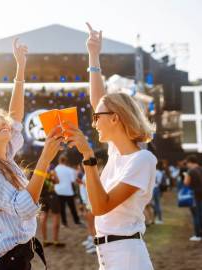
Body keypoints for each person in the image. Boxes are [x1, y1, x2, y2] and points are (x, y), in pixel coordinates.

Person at [64, 23, 157, 270]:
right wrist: (93, 56)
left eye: (97, 118)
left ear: (115, 118)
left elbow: (100, 207)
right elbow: (100, 103)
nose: (94, 123)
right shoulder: (120, 152)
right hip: (110, 253)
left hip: (127, 256)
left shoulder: (142, 160)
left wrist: (88, 156)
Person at [0, 39, 62, 270]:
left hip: (20, 256)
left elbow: (16, 117)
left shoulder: (6, 157)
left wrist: (20, 67)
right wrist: (44, 160)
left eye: (1, 118)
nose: (2, 122)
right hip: (6, 262)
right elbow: (23, 207)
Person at [39, 165, 65, 247]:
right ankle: (55, 241)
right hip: (52, 196)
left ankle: (45, 240)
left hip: (42, 196)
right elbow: (57, 181)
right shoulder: (51, 169)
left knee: (43, 217)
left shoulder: (38, 168)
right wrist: (54, 174)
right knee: (56, 217)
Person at [54, 154, 81, 227]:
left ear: (59, 161)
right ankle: (77, 221)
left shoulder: (55, 169)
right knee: (72, 208)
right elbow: (73, 181)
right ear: (66, 161)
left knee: (62, 208)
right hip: (68, 191)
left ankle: (64, 223)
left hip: (58, 191)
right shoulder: (70, 170)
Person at [184, 155, 202, 241]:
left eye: (187, 163)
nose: (186, 165)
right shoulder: (200, 169)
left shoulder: (190, 171)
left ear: (190, 162)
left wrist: (185, 176)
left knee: (196, 215)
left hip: (194, 195)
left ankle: (198, 235)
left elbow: (186, 183)